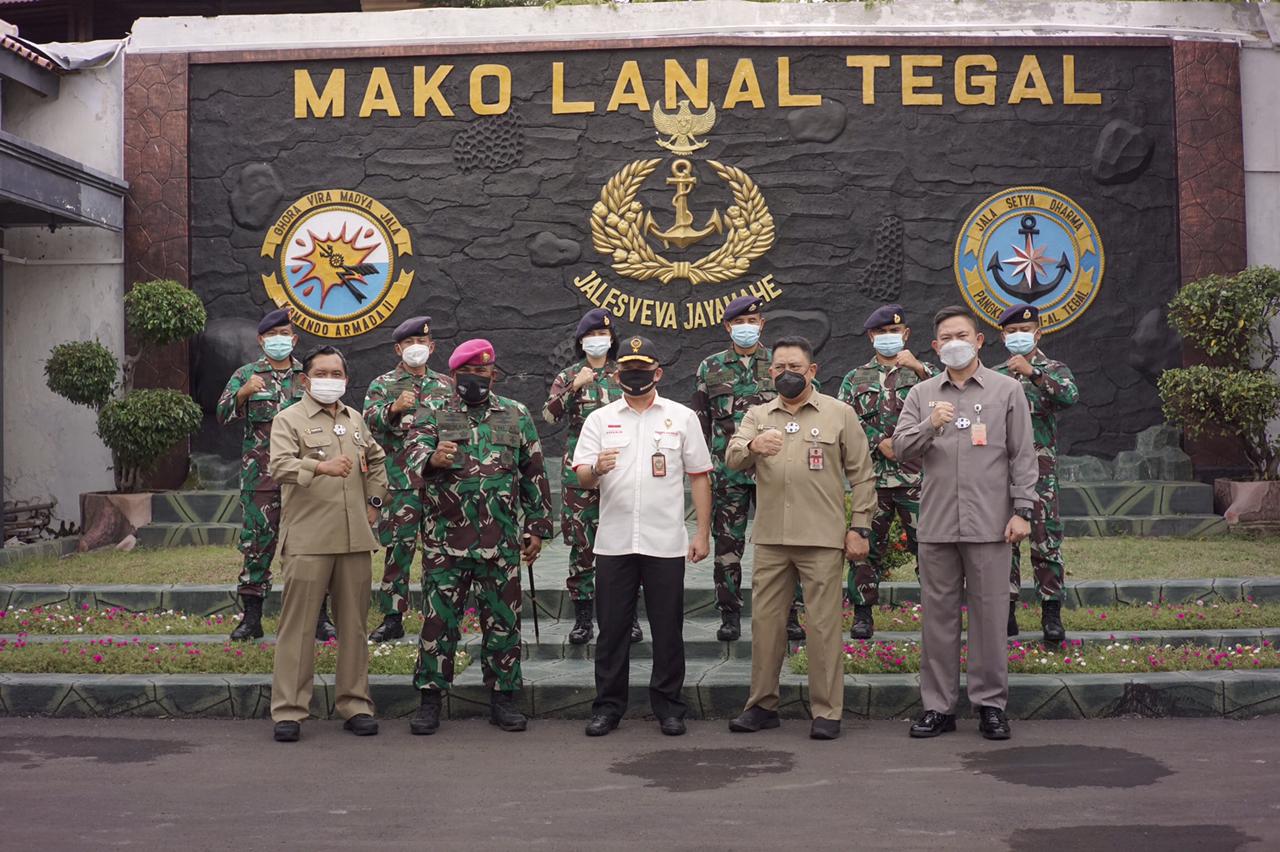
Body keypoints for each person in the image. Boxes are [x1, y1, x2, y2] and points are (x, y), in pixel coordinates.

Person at [892, 306, 1037, 741]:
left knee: (990, 616)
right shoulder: (920, 394)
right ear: (934, 348)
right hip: (936, 524)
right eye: (945, 337)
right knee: (937, 619)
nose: (954, 342)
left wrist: (1022, 510)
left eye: (962, 335)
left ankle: (990, 705)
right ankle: (938, 707)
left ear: (978, 341)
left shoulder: (1007, 390)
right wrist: (927, 426)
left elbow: (1022, 455)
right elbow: (900, 448)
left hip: (991, 524)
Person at [725, 336, 876, 741]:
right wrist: (753, 445)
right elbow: (733, 456)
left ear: (812, 371)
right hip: (772, 537)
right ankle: (761, 706)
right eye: (778, 368)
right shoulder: (758, 414)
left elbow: (862, 474)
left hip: (822, 538)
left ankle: (826, 711)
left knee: (823, 628)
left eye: (794, 367)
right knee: (766, 626)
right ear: (769, 372)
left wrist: (860, 526)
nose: (785, 374)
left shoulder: (839, 414)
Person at [409, 339, 553, 736]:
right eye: (469, 373)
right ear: (454, 376)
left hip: (500, 539)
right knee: (439, 624)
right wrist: (431, 460)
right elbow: (409, 463)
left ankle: (504, 698)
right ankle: (429, 700)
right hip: (445, 541)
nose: (477, 379)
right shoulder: (431, 412)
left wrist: (537, 528)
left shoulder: (516, 414)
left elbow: (534, 472)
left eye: (484, 372)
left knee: (503, 623)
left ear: (494, 373)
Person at [572, 335, 712, 737]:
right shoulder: (599, 419)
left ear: (658, 373)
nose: (636, 377)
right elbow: (582, 477)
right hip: (615, 541)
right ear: (617, 375)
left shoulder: (682, 417)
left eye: (643, 370)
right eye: (629, 370)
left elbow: (700, 477)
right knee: (612, 629)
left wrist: (702, 533)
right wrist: (596, 468)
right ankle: (608, 708)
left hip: (664, 541)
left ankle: (669, 707)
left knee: (668, 628)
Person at [267, 345, 387, 742]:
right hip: (309, 538)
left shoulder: (355, 420)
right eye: (322, 373)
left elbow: (376, 460)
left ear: (347, 380)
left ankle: (354, 703)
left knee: (353, 626)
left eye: (337, 374)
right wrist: (319, 466)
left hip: (354, 539)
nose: (330, 380)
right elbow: (279, 466)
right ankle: (289, 710)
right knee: (298, 628)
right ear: (305, 379)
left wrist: (374, 503)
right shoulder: (289, 419)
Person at [216, 306, 335, 643]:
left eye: (285, 335)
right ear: (261, 340)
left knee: (310, 547)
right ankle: (251, 619)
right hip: (261, 479)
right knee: (257, 546)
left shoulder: (308, 377)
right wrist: (242, 394)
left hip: (305, 476)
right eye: (272, 336)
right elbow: (221, 414)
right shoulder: (246, 375)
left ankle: (318, 620)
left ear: (294, 339)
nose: (279, 341)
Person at [691, 295, 802, 642]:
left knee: (786, 543)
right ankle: (729, 613)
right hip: (729, 473)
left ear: (762, 325)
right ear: (727, 327)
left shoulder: (781, 363)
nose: (746, 329)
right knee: (728, 546)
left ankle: (791, 614)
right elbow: (701, 424)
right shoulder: (710, 369)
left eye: (752, 323)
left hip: (776, 469)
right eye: (739, 323)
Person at [542, 308, 642, 646]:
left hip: (622, 471)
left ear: (611, 339)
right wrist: (574, 386)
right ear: (581, 341)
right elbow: (549, 416)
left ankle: (627, 618)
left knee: (628, 545)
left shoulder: (622, 372)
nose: (597, 340)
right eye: (591, 336)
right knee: (583, 547)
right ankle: (583, 619)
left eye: (603, 335)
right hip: (580, 472)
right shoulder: (569, 375)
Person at [837, 304, 936, 639]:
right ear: (871, 337)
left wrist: (921, 369)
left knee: (930, 548)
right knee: (865, 548)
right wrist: (879, 441)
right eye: (882, 333)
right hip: (873, 481)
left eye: (895, 332)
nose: (889, 338)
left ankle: (938, 613)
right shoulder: (855, 378)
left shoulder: (926, 374)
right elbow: (843, 423)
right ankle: (863, 614)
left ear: (906, 335)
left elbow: (951, 403)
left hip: (918, 479)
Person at [362, 315, 453, 642]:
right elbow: (367, 424)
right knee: (398, 550)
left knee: (438, 549)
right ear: (398, 348)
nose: (417, 348)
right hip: (399, 480)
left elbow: (458, 425)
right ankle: (392, 616)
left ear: (432, 347)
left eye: (422, 343)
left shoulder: (446, 385)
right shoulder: (382, 384)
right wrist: (393, 408)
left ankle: (438, 611)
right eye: (409, 344)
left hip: (439, 480)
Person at [993, 303, 1079, 644]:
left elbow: (1069, 397)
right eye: (1011, 332)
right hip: (1000, 470)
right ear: (1003, 336)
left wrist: (1033, 373)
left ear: (1038, 333)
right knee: (1004, 542)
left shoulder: (1053, 369)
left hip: (1041, 472)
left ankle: (1051, 611)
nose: (1018, 337)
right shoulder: (994, 374)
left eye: (1024, 331)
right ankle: (1007, 612)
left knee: (1045, 541)